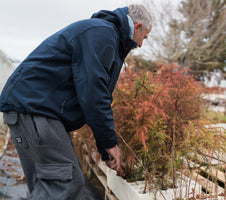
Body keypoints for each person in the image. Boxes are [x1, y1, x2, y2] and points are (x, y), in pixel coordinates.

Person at [0, 4, 152, 199]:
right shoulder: (103, 34)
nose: (141, 45)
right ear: (137, 27)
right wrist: (110, 143)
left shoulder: (103, 34)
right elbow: (94, 94)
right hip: (35, 110)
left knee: (48, 185)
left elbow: (92, 92)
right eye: (144, 38)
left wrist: (106, 153)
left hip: (32, 111)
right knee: (64, 185)